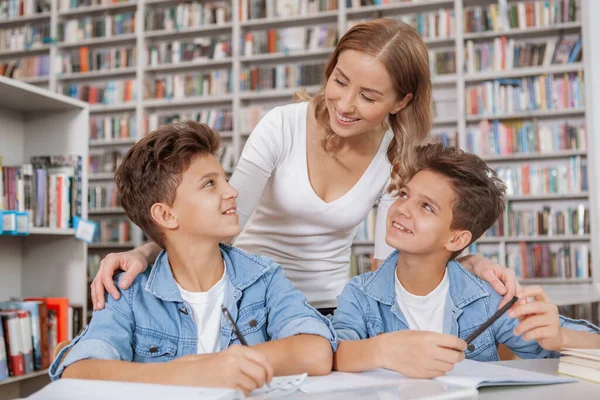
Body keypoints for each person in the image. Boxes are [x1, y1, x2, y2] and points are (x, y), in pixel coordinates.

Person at [90, 18, 520, 315]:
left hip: (331, 307)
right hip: (249, 296)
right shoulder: (282, 126)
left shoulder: (398, 155)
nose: (346, 105)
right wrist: (146, 252)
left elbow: (396, 258)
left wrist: (470, 264)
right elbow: (221, 216)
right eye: (339, 81)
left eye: (369, 97)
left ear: (401, 102)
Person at [50, 122, 336, 395]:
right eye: (209, 184)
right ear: (166, 215)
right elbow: (78, 370)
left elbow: (316, 350)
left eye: (224, 178)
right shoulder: (128, 292)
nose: (232, 191)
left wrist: (225, 365)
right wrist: (195, 372)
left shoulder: (262, 277)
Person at [332, 143, 600, 378]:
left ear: (457, 240)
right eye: (404, 194)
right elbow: (332, 356)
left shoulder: (487, 300)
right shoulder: (359, 294)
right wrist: (385, 351)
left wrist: (562, 337)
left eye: (426, 206)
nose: (402, 208)